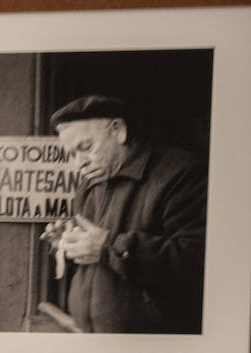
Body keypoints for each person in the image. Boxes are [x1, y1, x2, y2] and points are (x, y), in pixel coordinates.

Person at [41, 95, 207, 334]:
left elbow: (195, 260)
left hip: (152, 346)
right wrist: (68, 243)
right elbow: (94, 249)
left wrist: (109, 246)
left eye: (85, 148)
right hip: (88, 334)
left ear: (118, 130)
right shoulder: (91, 182)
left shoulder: (183, 173)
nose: (79, 164)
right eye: (71, 154)